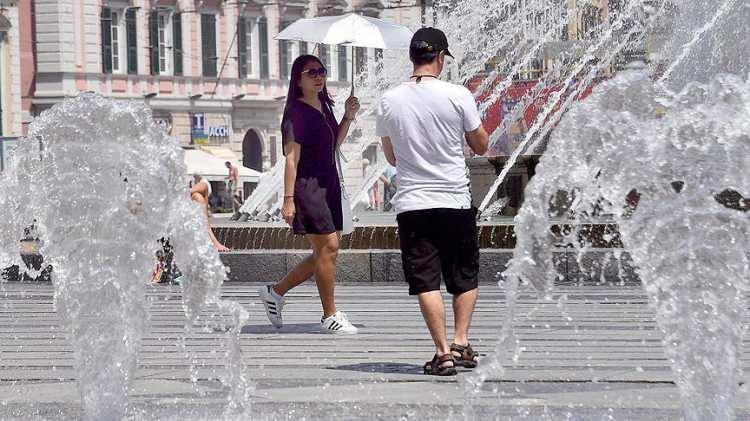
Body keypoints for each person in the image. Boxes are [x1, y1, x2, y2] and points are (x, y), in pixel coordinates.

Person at [376, 28, 490, 376]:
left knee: (426, 281)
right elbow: (482, 145)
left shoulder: (389, 100)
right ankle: (460, 341)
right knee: (464, 276)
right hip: (454, 200)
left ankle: (441, 353)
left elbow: (392, 157)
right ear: (441, 58)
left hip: (413, 204)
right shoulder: (458, 95)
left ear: (412, 58)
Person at [257, 54, 361, 334]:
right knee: (328, 248)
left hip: (330, 185)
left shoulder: (324, 105)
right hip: (308, 188)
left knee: (324, 253)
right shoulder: (295, 113)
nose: (318, 76)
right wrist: (288, 200)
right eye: (311, 72)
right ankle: (330, 316)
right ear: (298, 79)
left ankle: (275, 292)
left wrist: (348, 118)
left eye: (321, 71)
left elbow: (333, 145)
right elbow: (291, 159)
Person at [190, 174, 229, 252]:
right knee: (197, 196)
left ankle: (209, 235)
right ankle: (210, 237)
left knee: (202, 189)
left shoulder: (202, 181)